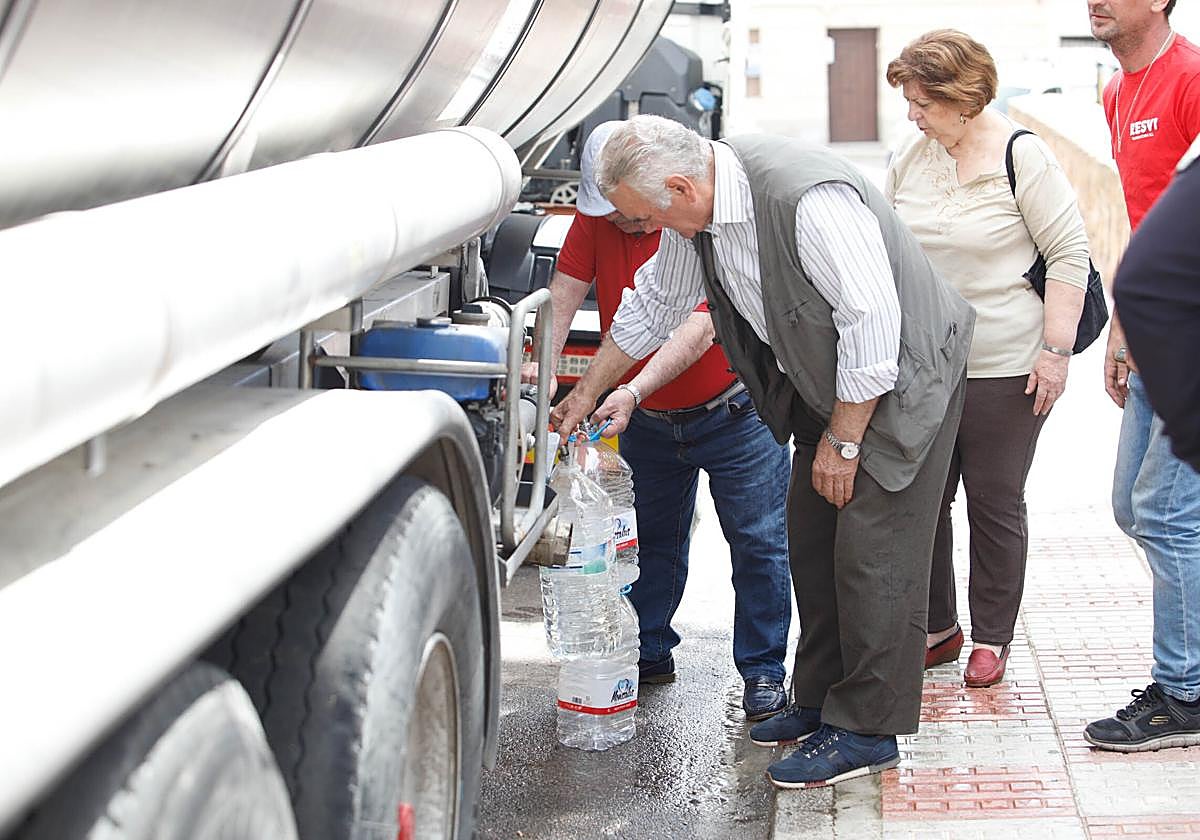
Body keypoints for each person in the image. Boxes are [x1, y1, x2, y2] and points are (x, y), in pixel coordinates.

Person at [551, 114, 975, 788]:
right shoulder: (699, 215)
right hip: (825, 385)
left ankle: (867, 730)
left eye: (650, 219)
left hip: (897, 381)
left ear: (682, 188)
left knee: (873, 555)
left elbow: (873, 323)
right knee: (812, 544)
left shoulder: (803, 201)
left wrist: (843, 440)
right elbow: (653, 309)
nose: (652, 233)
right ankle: (817, 701)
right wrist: (586, 391)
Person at [524, 122, 794, 722]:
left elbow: (699, 327)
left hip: (732, 409)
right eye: (614, 213)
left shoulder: (686, 217)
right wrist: (543, 385)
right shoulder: (602, 215)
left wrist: (632, 388)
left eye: (630, 213)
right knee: (649, 541)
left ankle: (764, 673)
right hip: (642, 416)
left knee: (758, 543)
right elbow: (561, 300)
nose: (625, 224)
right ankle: (647, 649)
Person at [884, 30, 1090, 689]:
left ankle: (992, 638)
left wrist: (1055, 353)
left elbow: (1069, 254)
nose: (911, 114)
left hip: (1006, 364)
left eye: (921, 102)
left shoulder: (1020, 155)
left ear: (961, 98)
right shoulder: (910, 157)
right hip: (925, 366)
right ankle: (939, 628)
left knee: (994, 501)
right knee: (924, 499)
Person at [1085, 0, 1200, 752]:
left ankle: (1186, 691)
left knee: (1165, 509)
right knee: (1136, 506)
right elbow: (1140, 219)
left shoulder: (1191, 78)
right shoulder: (1117, 91)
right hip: (1159, 318)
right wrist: (1125, 329)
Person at [1114, 137, 1200, 473]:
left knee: (1160, 517)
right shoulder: (1116, 95)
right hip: (1161, 338)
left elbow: (1143, 280)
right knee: (1133, 510)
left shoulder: (1187, 85)